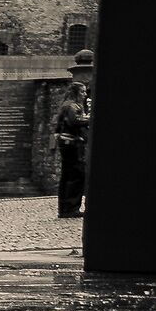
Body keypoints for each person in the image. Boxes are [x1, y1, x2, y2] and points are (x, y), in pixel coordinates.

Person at [54, 80, 91, 218]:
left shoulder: (67, 105)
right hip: (72, 144)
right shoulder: (72, 106)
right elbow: (74, 121)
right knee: (76, 175)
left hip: (66, 143)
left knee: (67, 175)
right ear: (75, 92)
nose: (84, 94)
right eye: (82, 91)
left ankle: (64, 208)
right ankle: (71, 208)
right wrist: (89, 119)